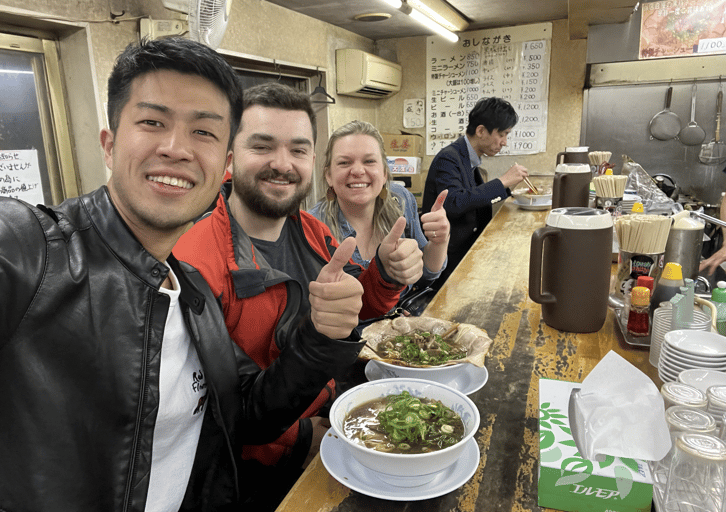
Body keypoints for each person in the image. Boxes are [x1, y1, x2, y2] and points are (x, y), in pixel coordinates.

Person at [0, 37, 368, 512]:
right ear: (109, 145)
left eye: (204, 132)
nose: (176, 148)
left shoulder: (189, 293)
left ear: (224, 167)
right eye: (152, 122)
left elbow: (249, 414)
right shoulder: (27, 250)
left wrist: (322, 337)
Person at [173, 83, 423, 510]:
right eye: (263, 146)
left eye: (299, 150)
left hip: (327, 413)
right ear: (230, 158)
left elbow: (354, 307)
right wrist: (305, 438)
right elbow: (225, 412)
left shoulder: (311, 230)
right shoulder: (193, 263)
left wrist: (385, 271)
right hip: (254, 472)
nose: (282, 164)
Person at [309, 120, 450, 306]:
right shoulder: (312, 226)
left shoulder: (401, 200)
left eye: (369, 161)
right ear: (328, 176)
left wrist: (439, 242)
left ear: (384, 172)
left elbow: (425, 275)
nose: (358, 170)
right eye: (344, 162)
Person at [422, 97, 529, 290]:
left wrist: (504, 187)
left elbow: (472, 196)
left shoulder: (469, 158)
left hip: (466, 248)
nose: (504, 142)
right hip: (449, 256)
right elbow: (454, 203)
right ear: (480, 131)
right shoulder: (449, 158)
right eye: (503, 134)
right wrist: (503, 181)